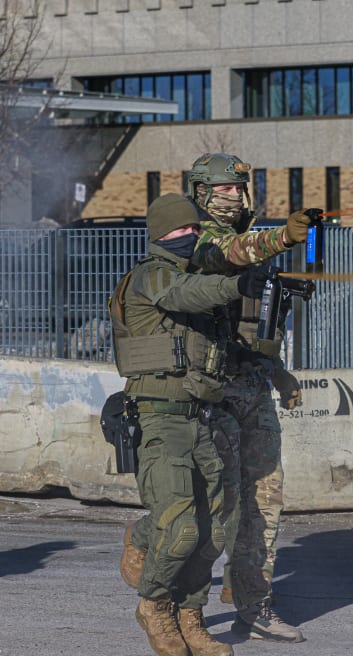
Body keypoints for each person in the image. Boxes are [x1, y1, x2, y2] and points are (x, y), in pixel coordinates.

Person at [120, 152, 314, 643]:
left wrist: (276, 370)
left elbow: (248, 324)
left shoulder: (238, 241)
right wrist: (282, 239)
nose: (234, 195)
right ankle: (183, 604)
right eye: (224, 188)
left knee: (264, 502)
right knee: (212, 518)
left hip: (248, 384)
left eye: (238, 187)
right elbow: (226, 259)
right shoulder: (197, 239)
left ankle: (251, 602)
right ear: (202, 191)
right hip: (210, 396)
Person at [109, 193, 269, 656]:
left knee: (213, 529)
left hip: (203, 416)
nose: (193, 235)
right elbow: (187, 294)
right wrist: (236, 284)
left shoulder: (200, 280)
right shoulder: (153, 275)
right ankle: (155, 606)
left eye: (195, 229)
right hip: (159, 417)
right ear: (162, 235)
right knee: (179, 528)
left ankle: (190, 614)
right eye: (184, 230)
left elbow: (228, 345)